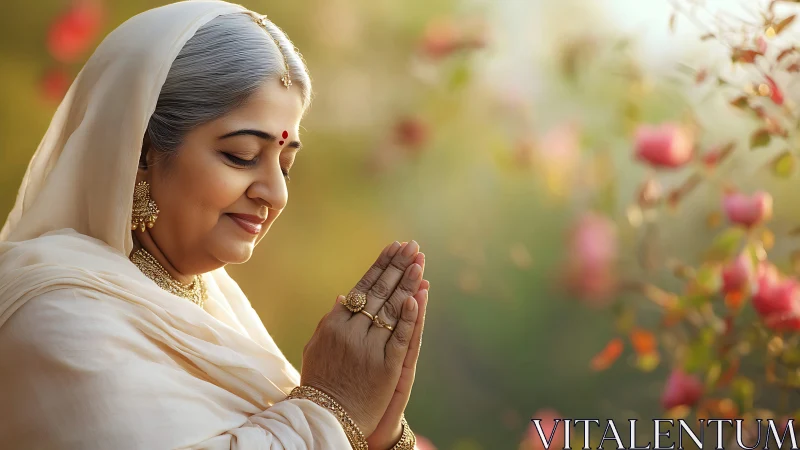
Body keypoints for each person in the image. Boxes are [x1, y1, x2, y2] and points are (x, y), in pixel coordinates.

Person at [0, 1, 430, 449]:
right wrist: (331, 406)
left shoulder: (220, 309)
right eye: (242, 155)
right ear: (143, 151)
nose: (276, 194)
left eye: (285, 165)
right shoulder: (55, 315)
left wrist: (373, 432)